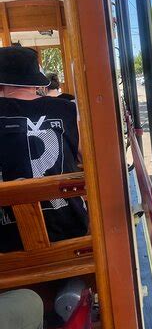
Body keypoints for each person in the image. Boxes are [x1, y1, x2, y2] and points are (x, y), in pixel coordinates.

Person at [0, 46, 88, 252]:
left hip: (7, 244)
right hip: (71, 232)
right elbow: (87, 158)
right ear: (34, 82)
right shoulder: (66, 109)